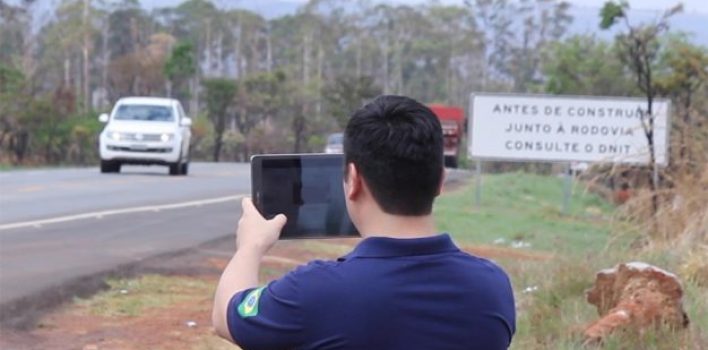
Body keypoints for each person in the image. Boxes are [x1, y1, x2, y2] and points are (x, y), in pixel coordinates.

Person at [212, 95, 516, 349]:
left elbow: (227, 316)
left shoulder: (315, 290)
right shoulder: (492, 287)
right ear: (440, 181)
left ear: (353, 180)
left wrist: (250, 247)